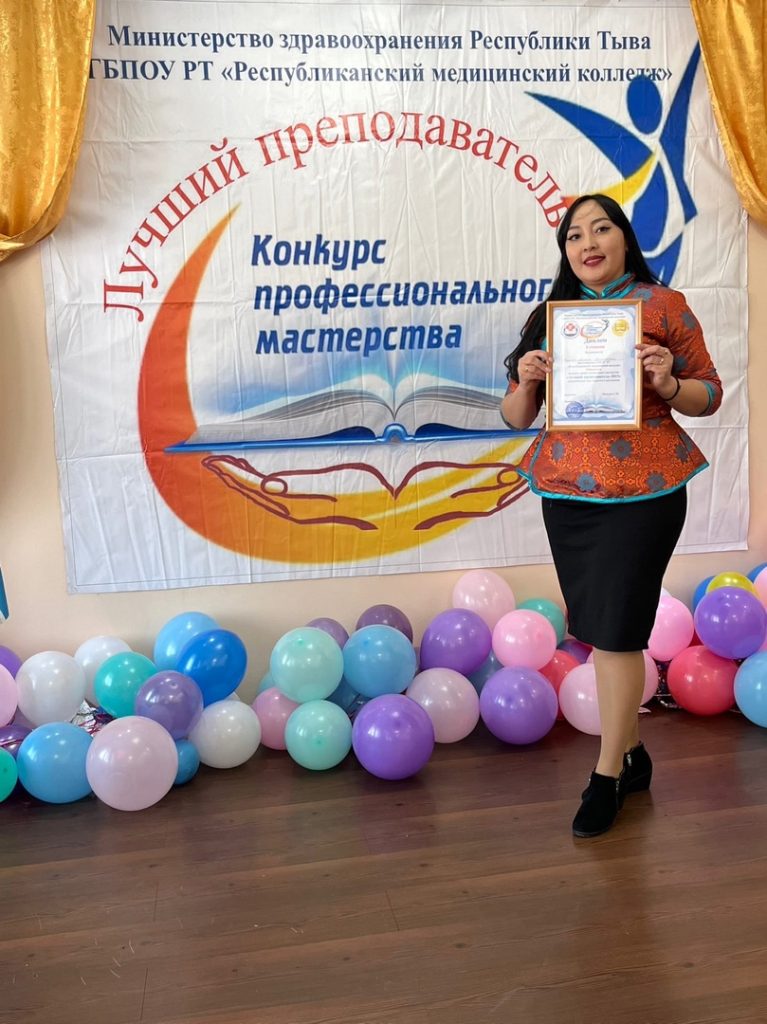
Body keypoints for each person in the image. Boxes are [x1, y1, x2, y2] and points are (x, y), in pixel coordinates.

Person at [501, 193, 723, 839]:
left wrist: (667, 384)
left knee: (619, 632)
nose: (588, 243)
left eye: (601, 229)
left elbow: (709, 392)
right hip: (568, 494)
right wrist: (527, 379)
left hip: (646, 491)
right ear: (565, 252)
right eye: (574, 235)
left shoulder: (664, 306)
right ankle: (633, 754)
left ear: (625, 239)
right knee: (601, 630)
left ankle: (606, 778)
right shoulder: (551, 316)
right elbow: (514, 416)